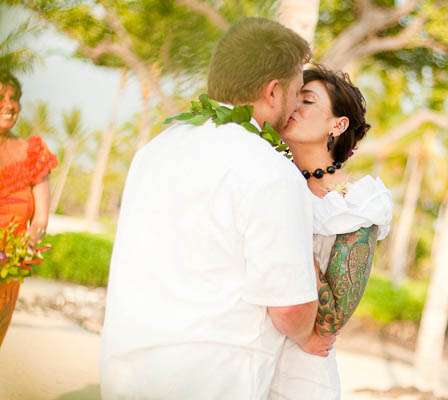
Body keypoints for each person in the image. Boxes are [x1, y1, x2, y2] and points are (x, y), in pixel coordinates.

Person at [100, 18, 334, 399]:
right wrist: (309, 335)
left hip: (126, 372)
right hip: (209, 379)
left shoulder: (154, 151)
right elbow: (290, 307)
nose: (295, 106)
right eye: (295, 93)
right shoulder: (271, 171)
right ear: (273, 92)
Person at [269, 66, 393, 399]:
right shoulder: (266, 177)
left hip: (301, 370)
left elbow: (330, 322)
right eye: (293, 97)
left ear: (337, 125)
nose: (294, 106)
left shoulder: (356, 203)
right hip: (242, 356)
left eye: (307, 101)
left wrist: (287, 225)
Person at [0, 71, 57, 346]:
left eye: (14, 98)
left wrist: (20, 253)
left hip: (7, 271)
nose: (9, 105)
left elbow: (41, 221)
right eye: (1, 97)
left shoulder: (32, 153)